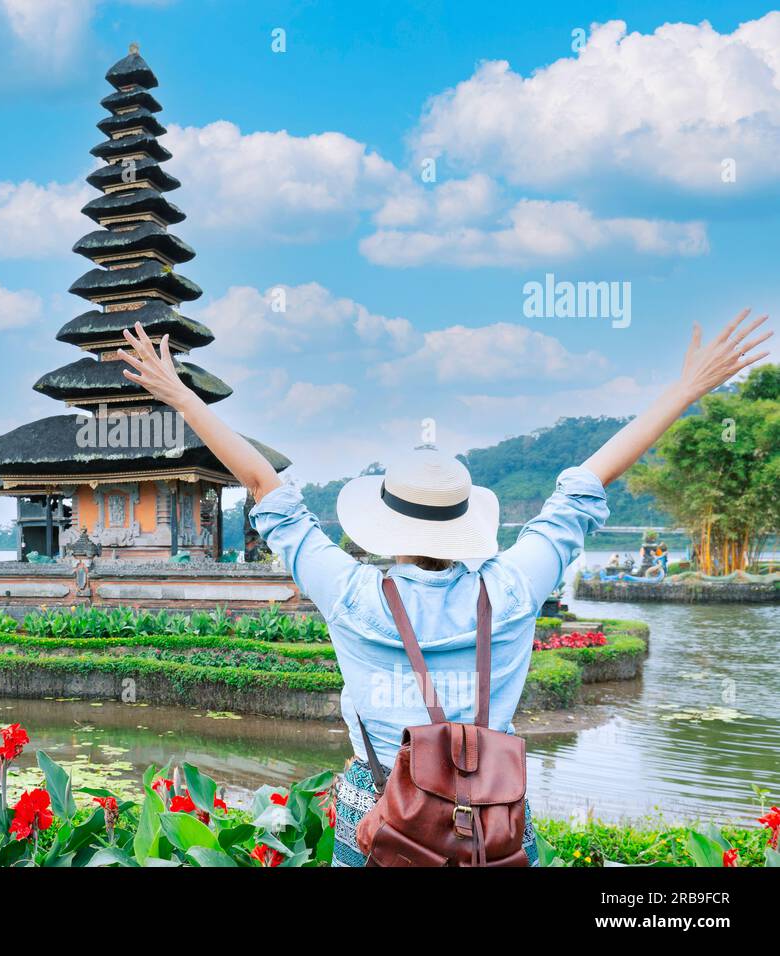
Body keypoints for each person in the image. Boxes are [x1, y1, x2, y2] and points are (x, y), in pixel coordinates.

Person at [118, 307, 771, 867]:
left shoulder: (352, 593)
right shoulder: (514, 587)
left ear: (386, 528)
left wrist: (180, 396)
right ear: (467, 524)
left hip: (377, 816)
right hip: (492, 821)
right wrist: (687, 388)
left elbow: (265, 486)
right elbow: (586, 485)